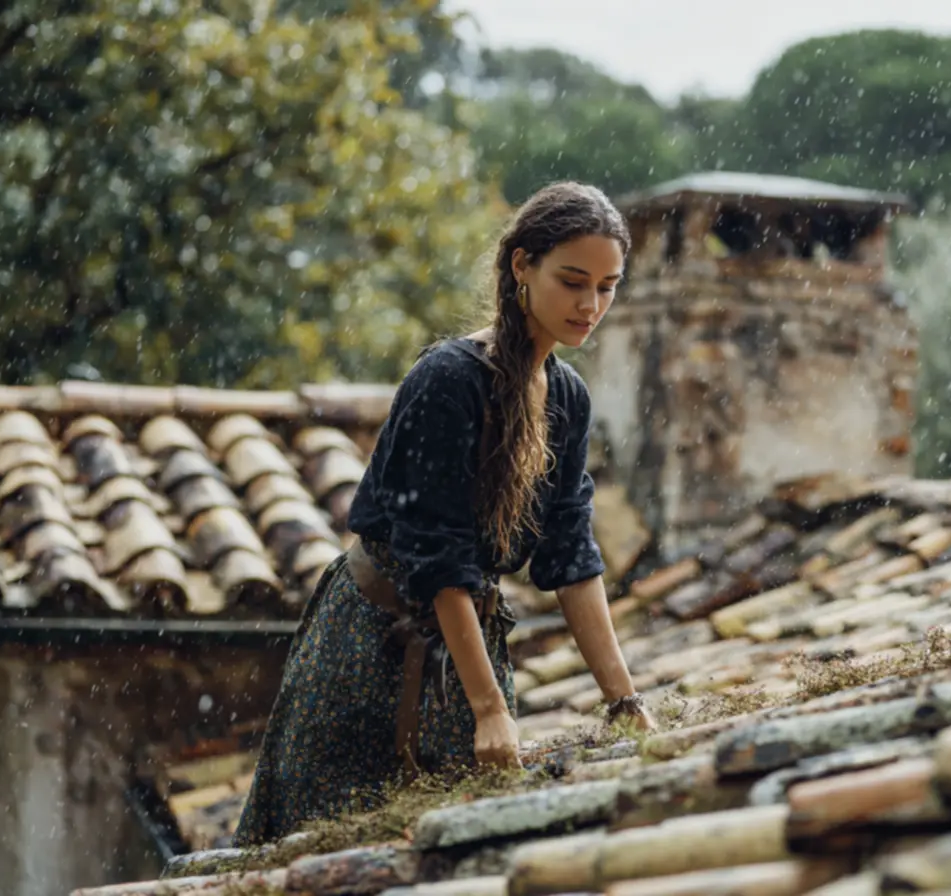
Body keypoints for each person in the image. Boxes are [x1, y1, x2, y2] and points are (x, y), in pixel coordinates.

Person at [233, 181, 656, 847]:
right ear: (522, 265)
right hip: (371, 647)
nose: (590, 305)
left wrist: (623, 703)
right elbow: (440, 559)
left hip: (470, 649)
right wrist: (489, 710)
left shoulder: (568, 399)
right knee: (323, 854)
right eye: (573, 281)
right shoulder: (450, 379)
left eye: (607, 286)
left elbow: (571, 559)